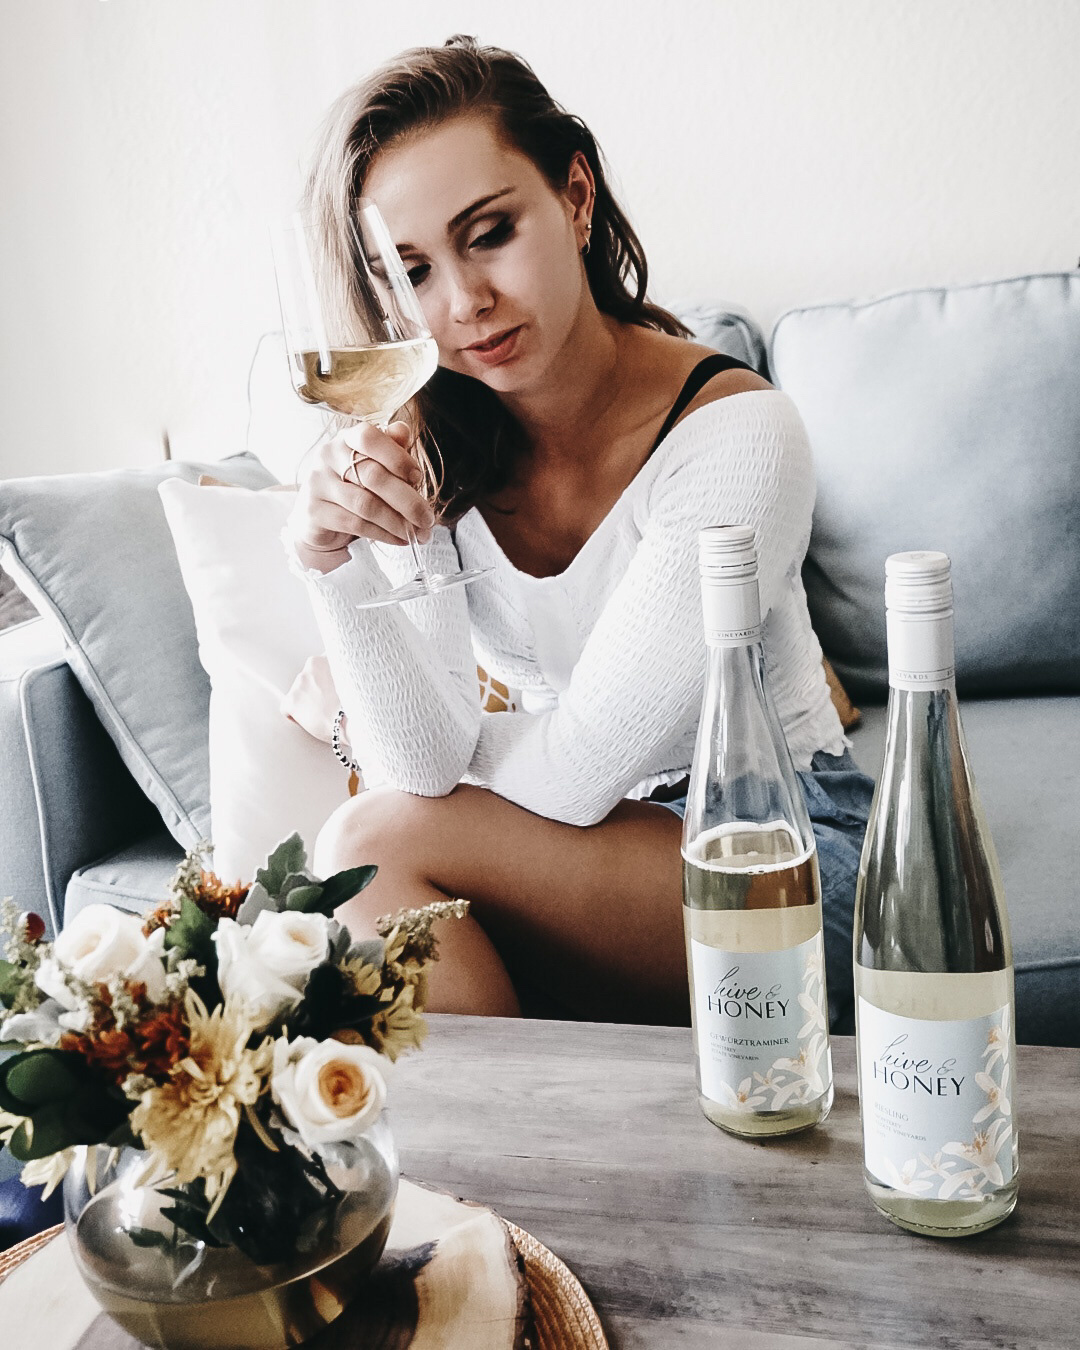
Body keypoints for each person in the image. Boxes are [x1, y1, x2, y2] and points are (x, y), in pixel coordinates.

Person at [283, 35, 873, 1028]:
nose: (464, 303)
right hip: (577, 854)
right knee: (373, 885)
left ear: (576, 196)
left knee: (365, 848)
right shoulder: (429, 443)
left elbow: (582, 763)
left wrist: (367, 717)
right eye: (414, 270)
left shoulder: (734, 432)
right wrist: (328, 566)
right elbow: (419, 765)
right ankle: (514, 1181)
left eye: (490, 233)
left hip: (781, 851)